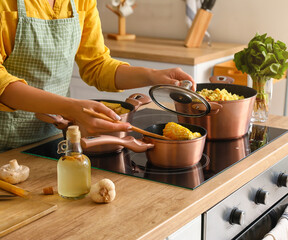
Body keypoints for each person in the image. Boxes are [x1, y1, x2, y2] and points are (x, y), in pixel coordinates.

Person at [0, 0, 195, 152]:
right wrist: (70, 108)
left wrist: (152, 76)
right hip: (5, 144)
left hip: (54, 137)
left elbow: (97, 65)